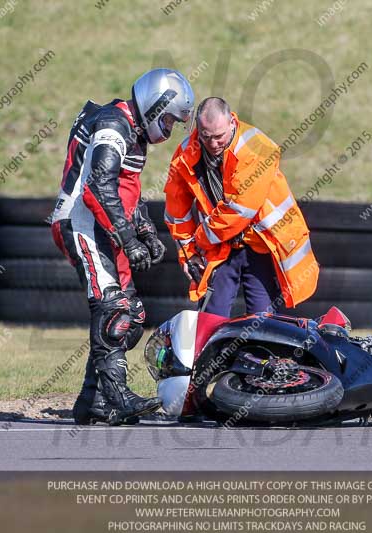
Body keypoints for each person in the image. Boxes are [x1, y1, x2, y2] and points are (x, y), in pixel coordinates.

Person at [51, 68, 195, 426]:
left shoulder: (130, 129)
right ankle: (117, 399)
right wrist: (128, 239)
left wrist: (145, 230)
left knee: (131, 318)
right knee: (115, 310)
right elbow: (98, 186)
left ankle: (93, 401)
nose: (169, 127)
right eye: (168, 119)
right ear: (154, 104)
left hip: (102, 225)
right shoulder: (113, 125)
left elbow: (125, 189)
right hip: (81, 223)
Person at [163, 97, 319, 317]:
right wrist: (189, 255)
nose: (213, 144)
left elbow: (239, 210)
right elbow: (176, 213)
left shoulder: (257, 148)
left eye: (219, 137)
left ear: (232, 123)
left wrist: (200, 240)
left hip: (261, 244)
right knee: (210, 320)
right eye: (206, 137)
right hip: (222, 246)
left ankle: (259, 352)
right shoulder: (185, 156)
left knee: (262, 323)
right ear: (198, 129)